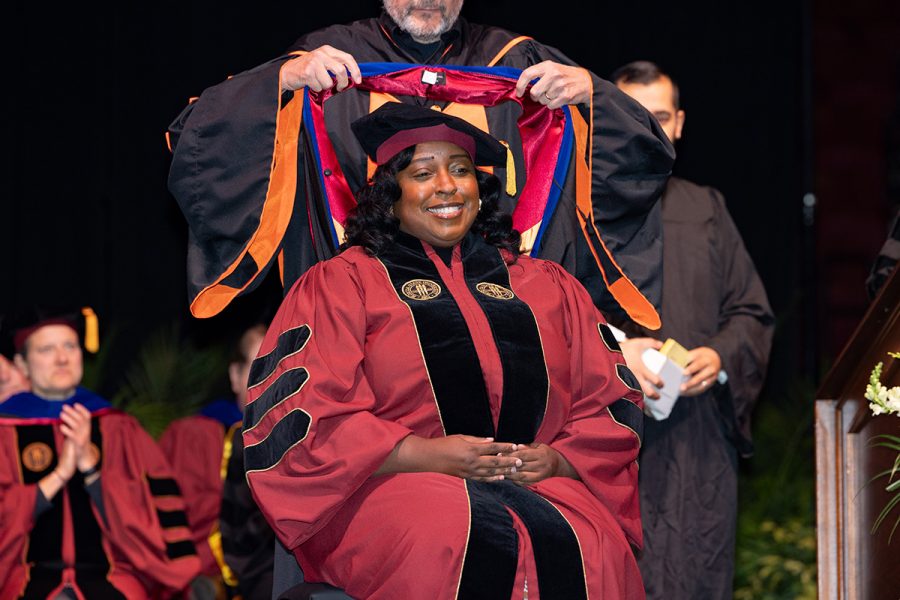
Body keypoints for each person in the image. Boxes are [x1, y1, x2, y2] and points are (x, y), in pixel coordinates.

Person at [242, 102, 646, 599]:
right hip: (390, 484)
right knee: (448, 534)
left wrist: (559, 461)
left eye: (460, 170)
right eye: (422, 173)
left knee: (595, 546)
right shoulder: (343, 284)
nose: (447, 186)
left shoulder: (545, 285)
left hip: (538, 482)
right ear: (390, 195)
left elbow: (610, 400)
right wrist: (426, 454)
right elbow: (308, 412)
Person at [166, 0, 675, 328]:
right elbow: (200, 137)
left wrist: (592, 97)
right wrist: (281, 82)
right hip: (359, 314)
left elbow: (640, 156)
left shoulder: (514, 59)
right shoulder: (326, 57)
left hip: (492, 309)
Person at [612, 61, 775, 599]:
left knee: (695, 572)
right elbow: (543, 318)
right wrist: (615, 350)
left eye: (659, 117)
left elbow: (750, 312)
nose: (649, 131)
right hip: (611, 433)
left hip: (697, 440)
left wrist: (722, 355)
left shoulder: (705, 208)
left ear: (679, 123)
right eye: (633, 116)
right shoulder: (575, 212)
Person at [0, 310, 201, 599]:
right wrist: (59, 475)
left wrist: (92, 471)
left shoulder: (118, 427)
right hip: (24, 578)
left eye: (70, 346)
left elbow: (150, 516)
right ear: (22, 364)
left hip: (115, 576)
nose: (62, 358)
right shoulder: (5, 431)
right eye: (47, 349)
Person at [159, 324, 268, 599]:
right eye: (258, 367)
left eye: (278, 368)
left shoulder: (305, 439)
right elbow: (182, 521)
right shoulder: (197, 436)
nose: (267, 381)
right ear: (235, 375)